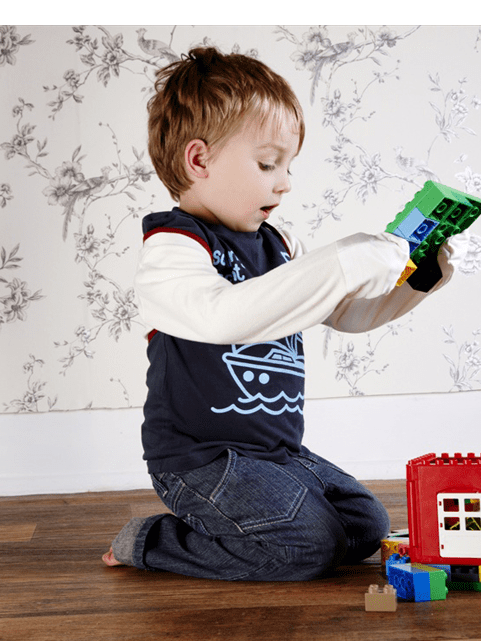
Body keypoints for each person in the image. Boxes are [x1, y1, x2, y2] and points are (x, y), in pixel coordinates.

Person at [102, 46, 459, 581]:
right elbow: (220, 317)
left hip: (276, 450)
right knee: (307, 546)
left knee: (366, 525)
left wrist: (419, 278)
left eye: (288, 166)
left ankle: (266, 519)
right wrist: (345, 260)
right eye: (268, 164)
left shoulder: (277, 243)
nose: (284, 181)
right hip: (203, 460)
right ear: (199, 161)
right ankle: (153, 540)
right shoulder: (173, 247)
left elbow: (345, 314)